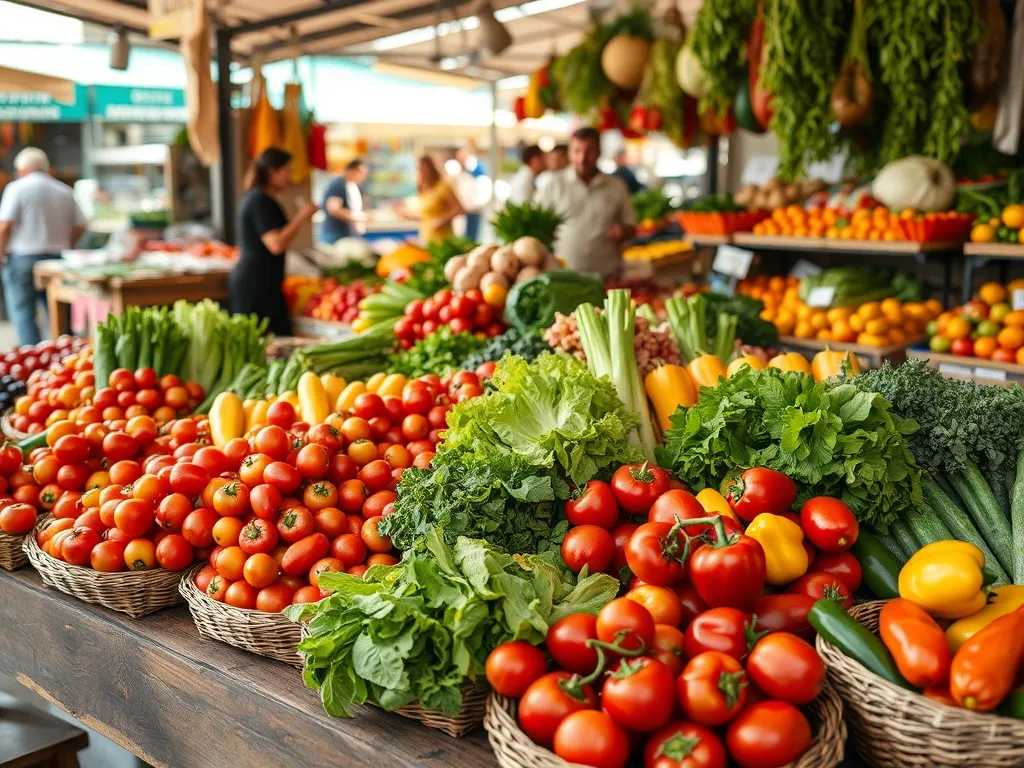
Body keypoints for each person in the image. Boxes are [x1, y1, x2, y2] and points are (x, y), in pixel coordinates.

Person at [0, 147, 86, 345]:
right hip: (57, 259)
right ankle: (65, 357)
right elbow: (81, 224)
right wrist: (68, 244)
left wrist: (1, 253)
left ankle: (32, 359)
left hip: (22, 258)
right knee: (59, 312)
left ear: (22, 169)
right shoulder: (63, 190)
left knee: (23, 313)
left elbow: (4, 225)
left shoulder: (17, 188)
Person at [233, 147, 318, 337]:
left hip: (267, 283)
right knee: (259, 344)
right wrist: (301, 217)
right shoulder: (259, 201)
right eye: (287, 170)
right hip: (256, 285)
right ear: (272, 171)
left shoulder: (264, 199)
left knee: (281, 340)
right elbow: (276, 244)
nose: (289, 176)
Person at [535, 127, 636, 277]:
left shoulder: (616, 186)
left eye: (588, 151)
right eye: (577, 151)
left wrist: (623, 231)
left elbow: (631, 225)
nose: (582, 158)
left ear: (599, 152)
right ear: (570, 152)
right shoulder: (553, 185)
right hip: (563, 276)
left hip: (608, 276)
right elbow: (537, 227)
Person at [396, 155, 464, 244]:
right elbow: (427, 215)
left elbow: (459, 208)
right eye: (417, 168)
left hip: (443, 240)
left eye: (422, 168)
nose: (419, 171)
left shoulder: (442, 187)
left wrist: (440, 221)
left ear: (430, 168)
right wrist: (408, 214)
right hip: (427, 239)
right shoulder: (423, 189)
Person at [320, 158, 369, 244]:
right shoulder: (338, 184)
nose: (363, 177)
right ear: (352, 170)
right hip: (335, 235)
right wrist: (357, 217)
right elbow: (333, 209)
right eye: (361, 173)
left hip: (348, 234)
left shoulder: (353, 186)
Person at [453, 144, 490, 240]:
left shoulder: (477, 173)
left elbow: (481, 194)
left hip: (473, 211)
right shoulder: (462, 174)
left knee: (471, 239)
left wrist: (471, 206)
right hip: (464, 212)